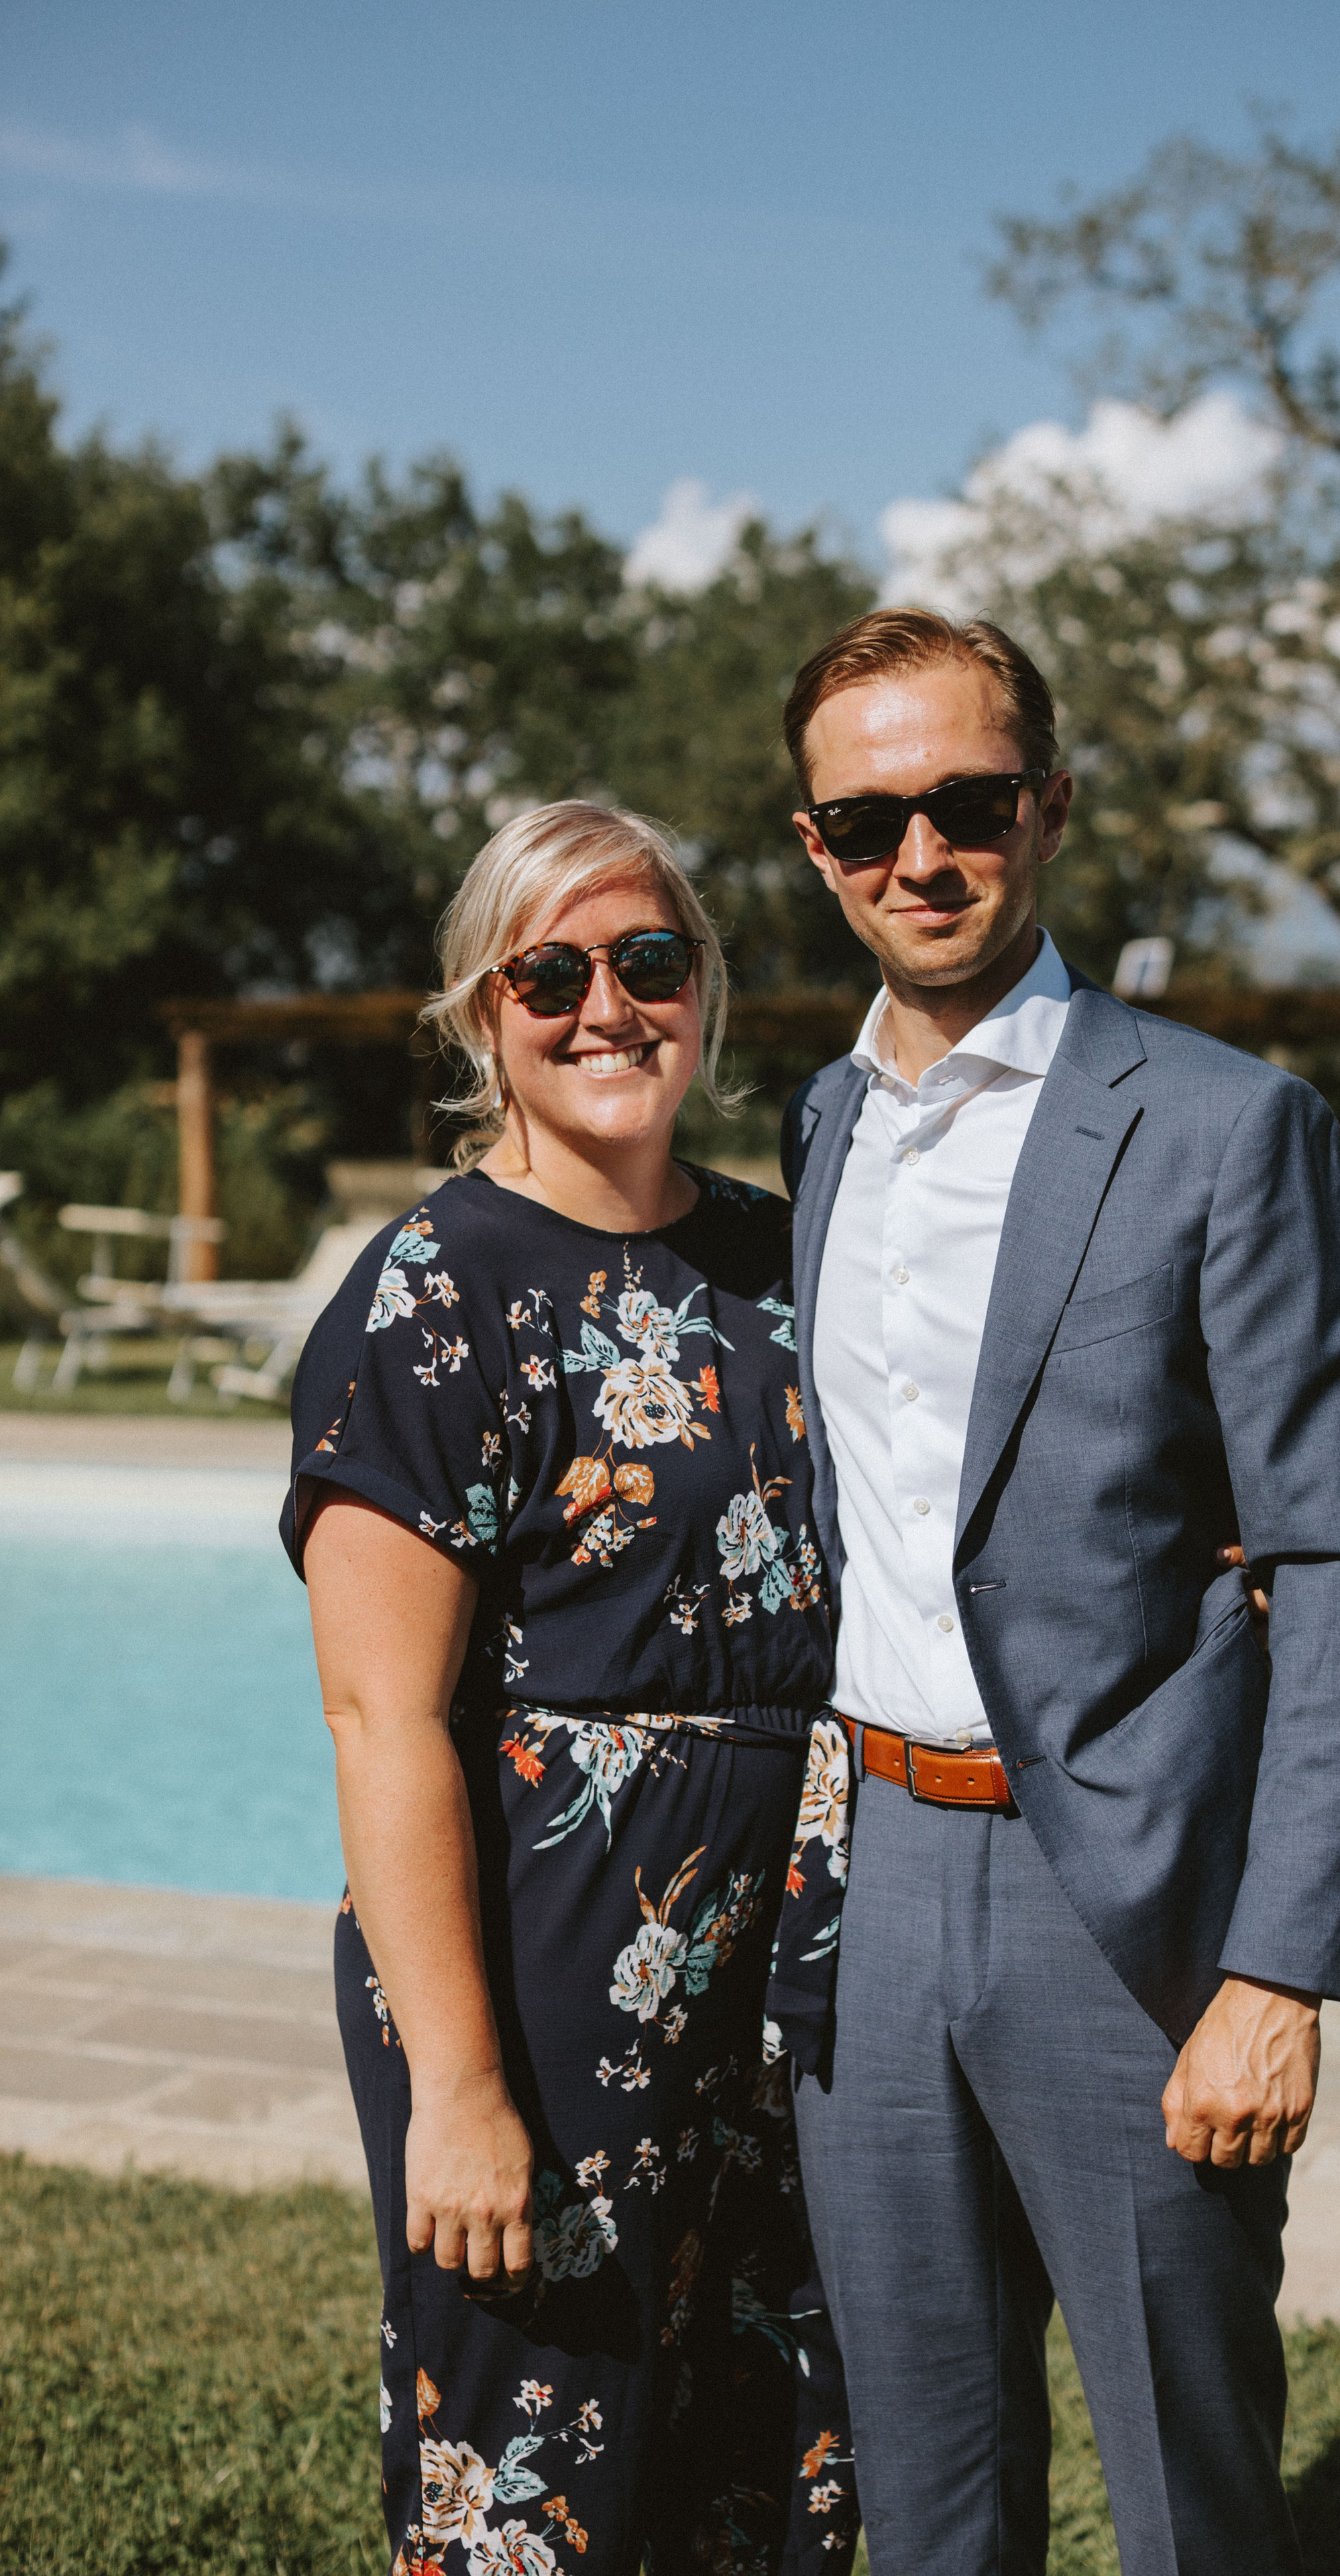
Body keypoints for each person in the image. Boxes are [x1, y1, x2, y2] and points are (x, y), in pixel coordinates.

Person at [775, 610, 1340, 2576]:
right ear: (814, 850)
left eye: (966, 803)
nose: (922, 854)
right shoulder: (819, 1129)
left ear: (1048, 810)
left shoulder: (1231, 1127)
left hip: (1131, 1919)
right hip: (870, 1894)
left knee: (1190, 2499)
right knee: (924, 2497)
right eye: (867, 818)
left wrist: (1275, 1971)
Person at [283, 802, 857, 2576]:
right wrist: (461, 2089)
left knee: (780, 2453)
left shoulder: (796, 1258)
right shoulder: (433, 1299)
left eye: (651, 961)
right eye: (554, 971)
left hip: (803, 1968)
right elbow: (384, 1719)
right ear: (485, 1013)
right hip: (546, 1967)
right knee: (548, 2470)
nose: (607, 1006)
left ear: (709, 991)